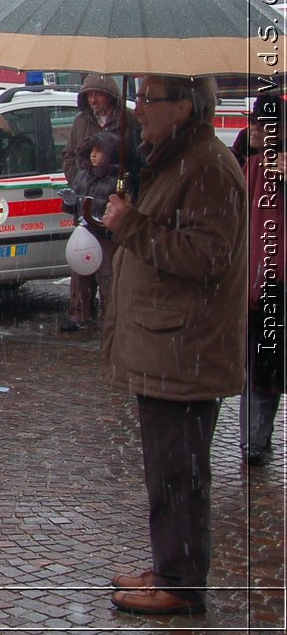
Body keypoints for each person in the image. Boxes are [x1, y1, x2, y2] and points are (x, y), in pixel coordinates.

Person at [100, 75, 247, 617]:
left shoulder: (206, 166)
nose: (139, 111)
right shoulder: (176, 158)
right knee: (166, 467)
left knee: (178, 471)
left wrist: (134, 226)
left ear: (184, 106)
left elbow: (206, 257)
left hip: (185, 348)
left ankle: (182, 583)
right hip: (170, 346)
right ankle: (170, 565)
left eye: (149, 100)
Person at [240, 94, 284, 466]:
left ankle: (257, 439)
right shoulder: (249, 165)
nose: (254, 128)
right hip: (248, 282)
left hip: (275, 283)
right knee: (249, 365)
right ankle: (251, 439)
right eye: (254, 122)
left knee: (265, 366)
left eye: (263, 124)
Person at [61, 131, 118, 332]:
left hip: (104, 236)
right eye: (92, 151)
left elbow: (115, 208)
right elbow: (74, 203)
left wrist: (92, 206)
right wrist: (70, 201)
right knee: (79, 277)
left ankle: (111, 317)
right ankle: (79, 314)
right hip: (84, 233)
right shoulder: (84, 175)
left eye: (99, 151)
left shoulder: (115, 179)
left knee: (106, 277)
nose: (94, 155)